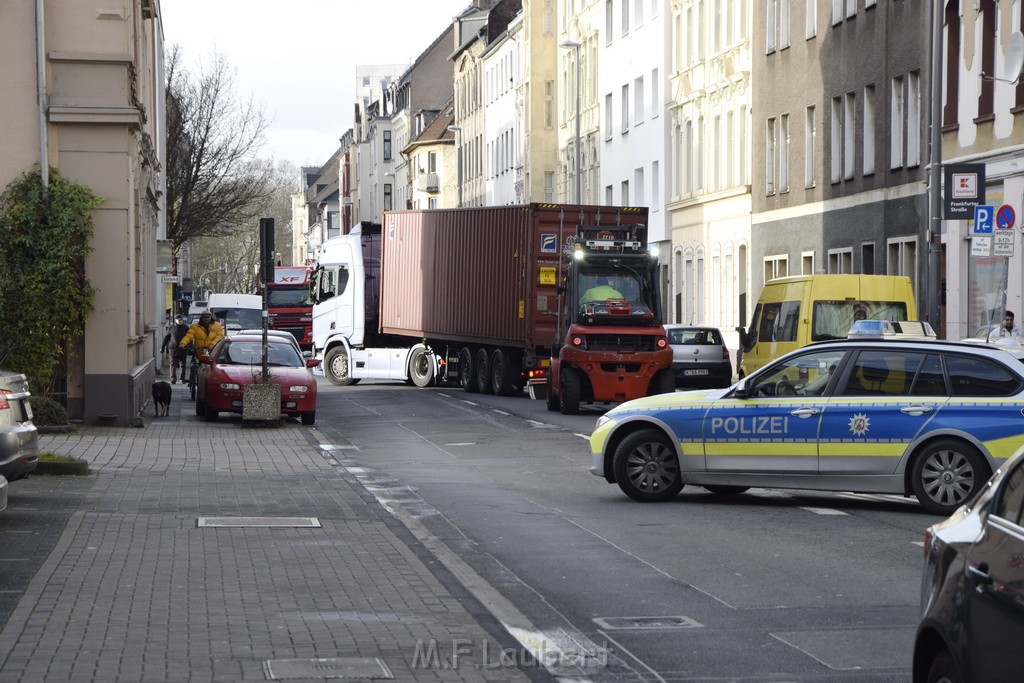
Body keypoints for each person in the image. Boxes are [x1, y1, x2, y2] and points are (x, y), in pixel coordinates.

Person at [161, 315, 190, 384]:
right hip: (173, 348)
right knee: (173, 364)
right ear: (175, 320)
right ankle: (173, 378)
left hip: (183, 348)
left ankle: (182, 379)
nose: (180, 321)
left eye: (181, 320)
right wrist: (162, 347)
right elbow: (166, 338)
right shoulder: (171, 327)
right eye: (179, 320)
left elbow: (189, 338)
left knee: (182, 364)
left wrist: (189, 347)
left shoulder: (186, 328)